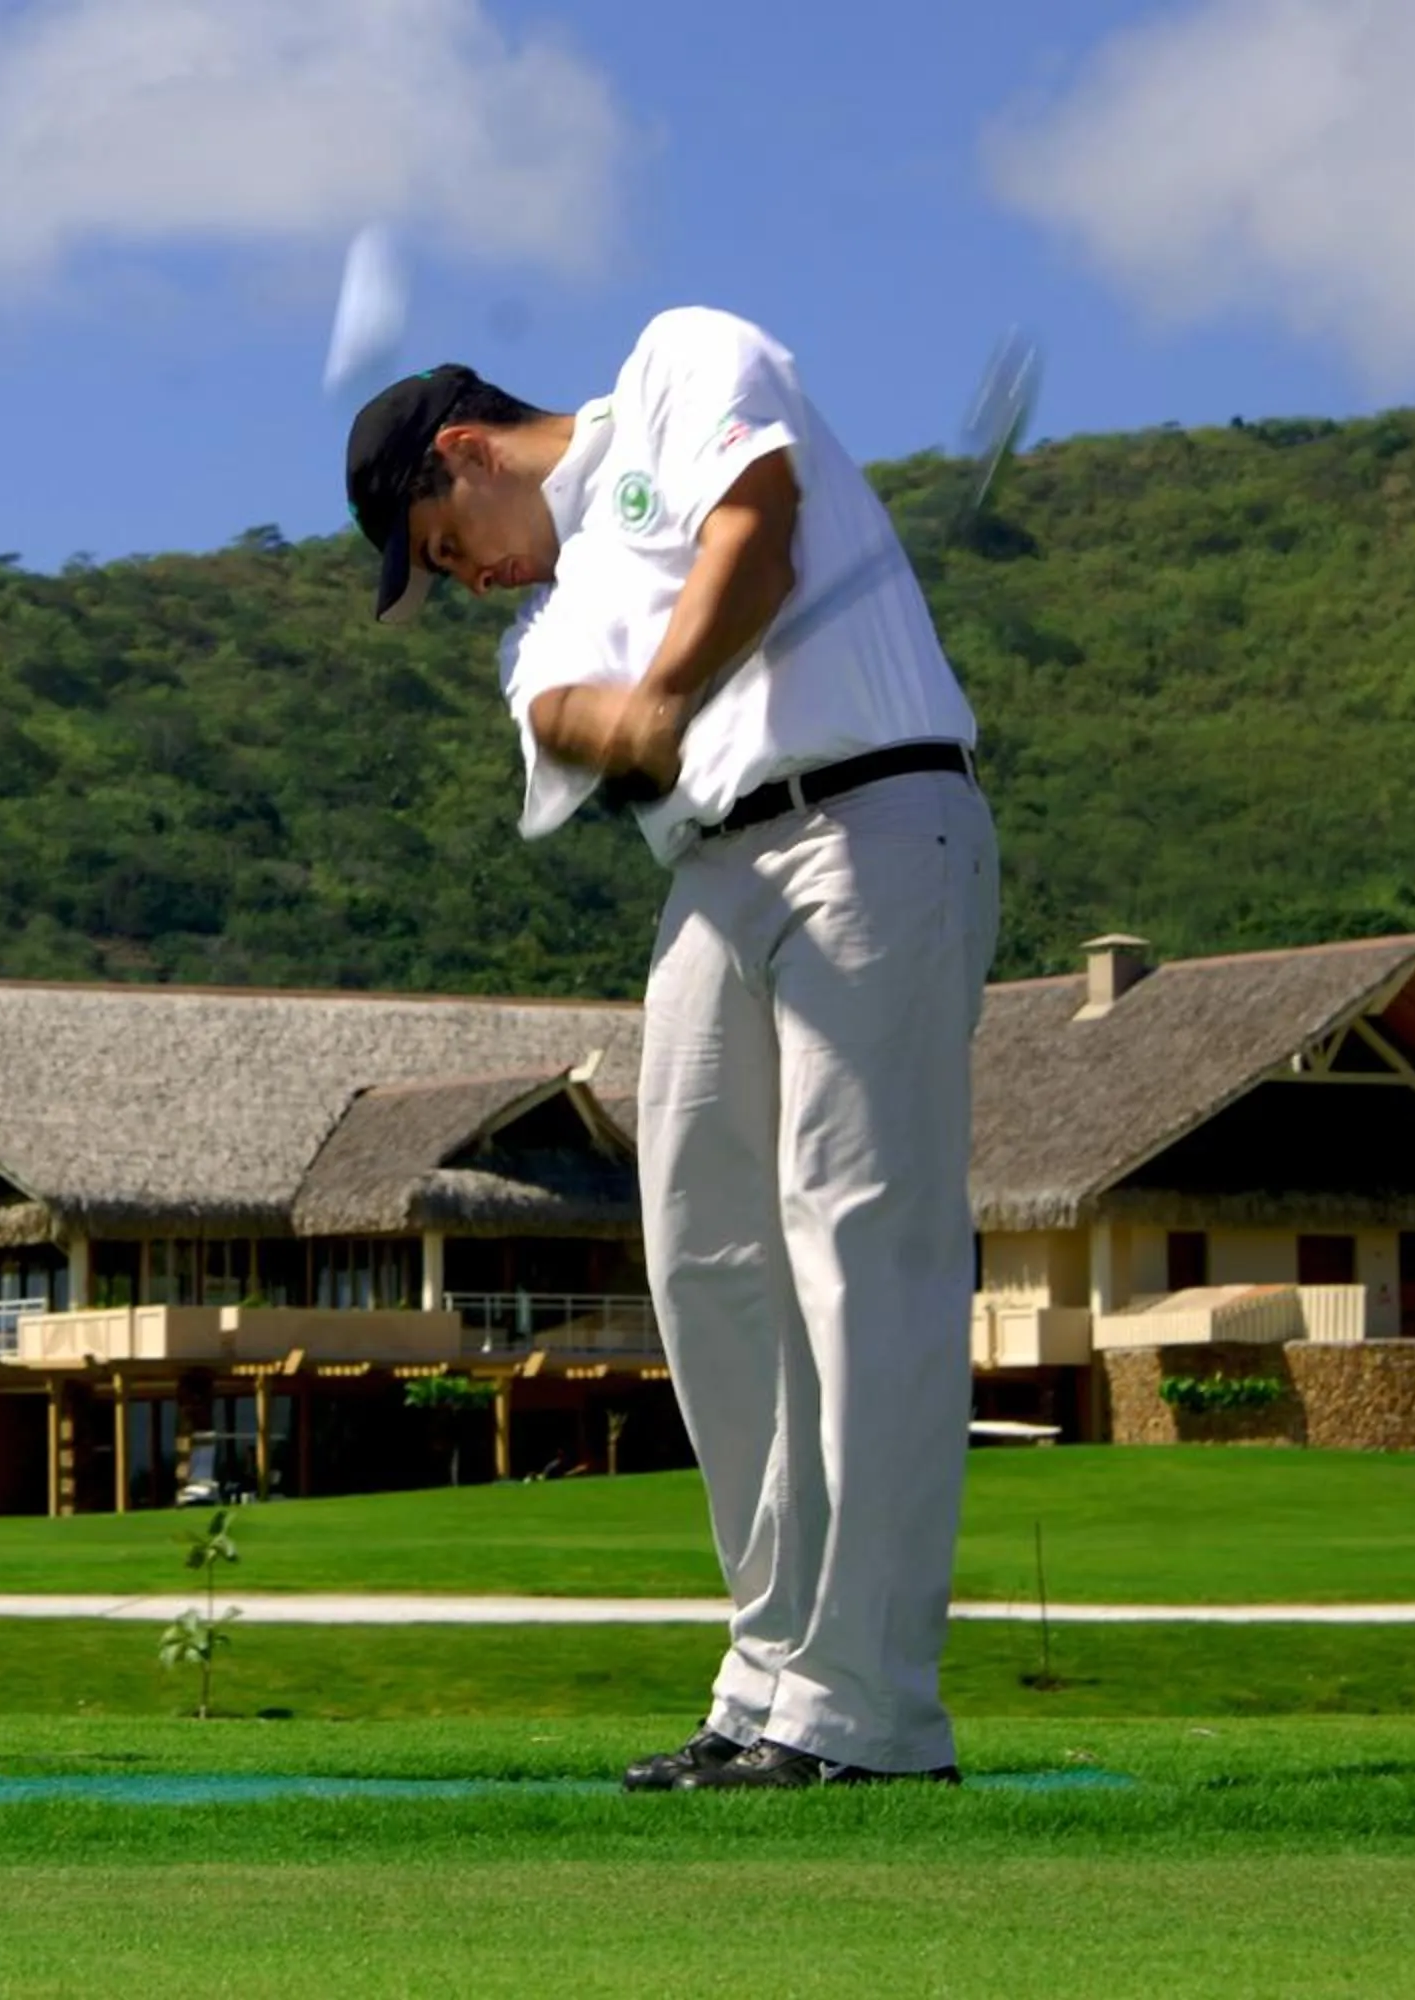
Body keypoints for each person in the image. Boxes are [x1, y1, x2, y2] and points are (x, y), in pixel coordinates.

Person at [342, 309, 1000, 1788]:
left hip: (879, 823)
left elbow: (753, 536)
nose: (471, 578)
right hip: (716, 877)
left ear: (464, 452)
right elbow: (564, 710)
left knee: (861, 1249)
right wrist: (620, 716)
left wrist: (672, 691)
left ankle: (871, 1709)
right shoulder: (545, 618)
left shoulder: (679, 364)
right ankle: (768, 1677)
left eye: (446, 547)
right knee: (704, 1263)